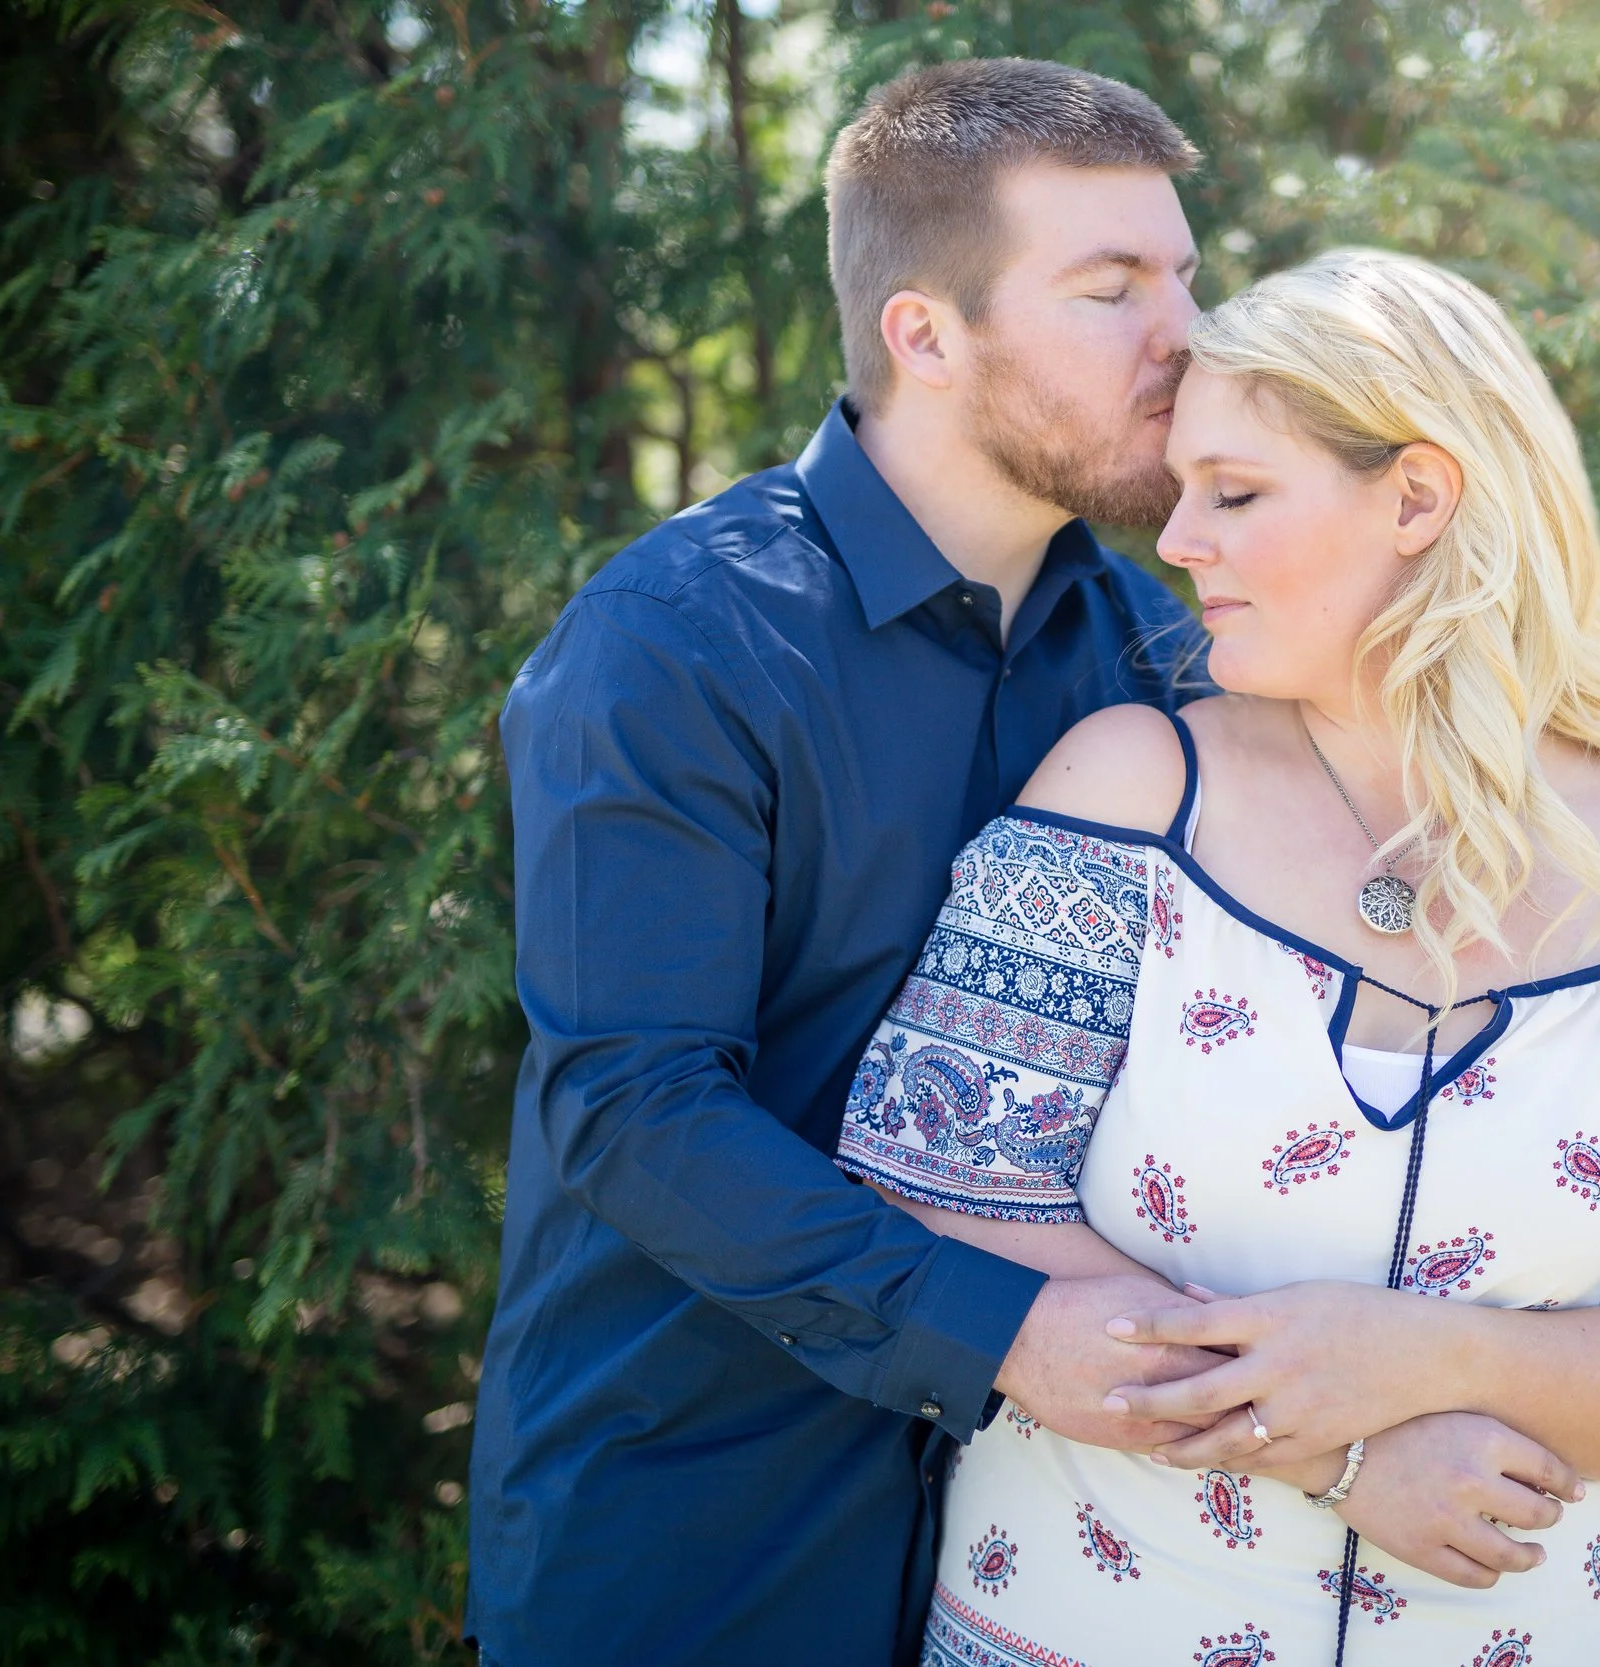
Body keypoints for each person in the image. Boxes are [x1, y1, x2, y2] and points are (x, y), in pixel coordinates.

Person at [837, 248, 1600, 1665]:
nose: (1179, 541)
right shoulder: (1126, 794)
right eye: (1182, 491)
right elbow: (940, 1199)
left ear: (1418, 498)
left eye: (1234, 493)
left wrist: (1430, 1360)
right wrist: (1347, 1459)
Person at [466, 60, 1220, 1665]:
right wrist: (1005, 1335)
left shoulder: (1173, 658)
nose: (1184, 338)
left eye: (1183, 278)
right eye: (1111, 288)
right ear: (926, 335)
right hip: (695, 1530)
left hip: (1064, 1555)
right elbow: (635, 1106)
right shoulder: (673, 645)